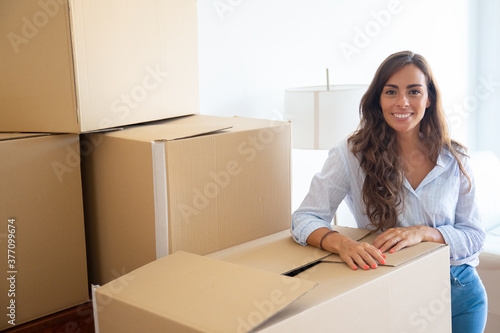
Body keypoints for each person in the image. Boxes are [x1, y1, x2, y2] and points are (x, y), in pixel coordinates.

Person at [291, 50, 487, 332]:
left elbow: (474, 235)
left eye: (414, 91)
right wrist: (344, 244)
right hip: (393, 294)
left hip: (459, 293)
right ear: (378, 100)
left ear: (429, 99)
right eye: (391, 91)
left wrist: (424, 232)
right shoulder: (350, 155)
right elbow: (304, 218)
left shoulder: (455, 158)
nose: (402, 102)